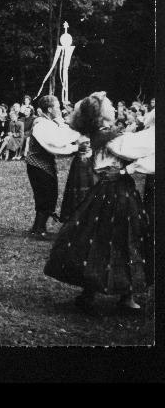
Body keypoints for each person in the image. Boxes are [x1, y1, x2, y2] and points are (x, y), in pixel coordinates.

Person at [44, 92, 154, 315]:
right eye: (110, 106)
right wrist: (128, 169)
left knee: (96, 239)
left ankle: (92, 293)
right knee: (122, 239)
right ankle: (125, 296)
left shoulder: (101, 134)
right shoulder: (112, 138)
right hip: (118, 193)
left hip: (105, 192)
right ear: (101, 115)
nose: (113, 108)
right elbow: (147, 144)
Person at [24, 95, 79, 241]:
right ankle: (39, 229)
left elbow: (63, 135)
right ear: (49, 109)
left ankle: (38, 227)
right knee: (45, 196)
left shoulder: (49, 123)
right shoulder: (42, 124)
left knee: (48, 196)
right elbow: (55, 144)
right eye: (57, 106)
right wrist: (76, 148)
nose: (60, 109)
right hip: (38, 166)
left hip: (42, 165)